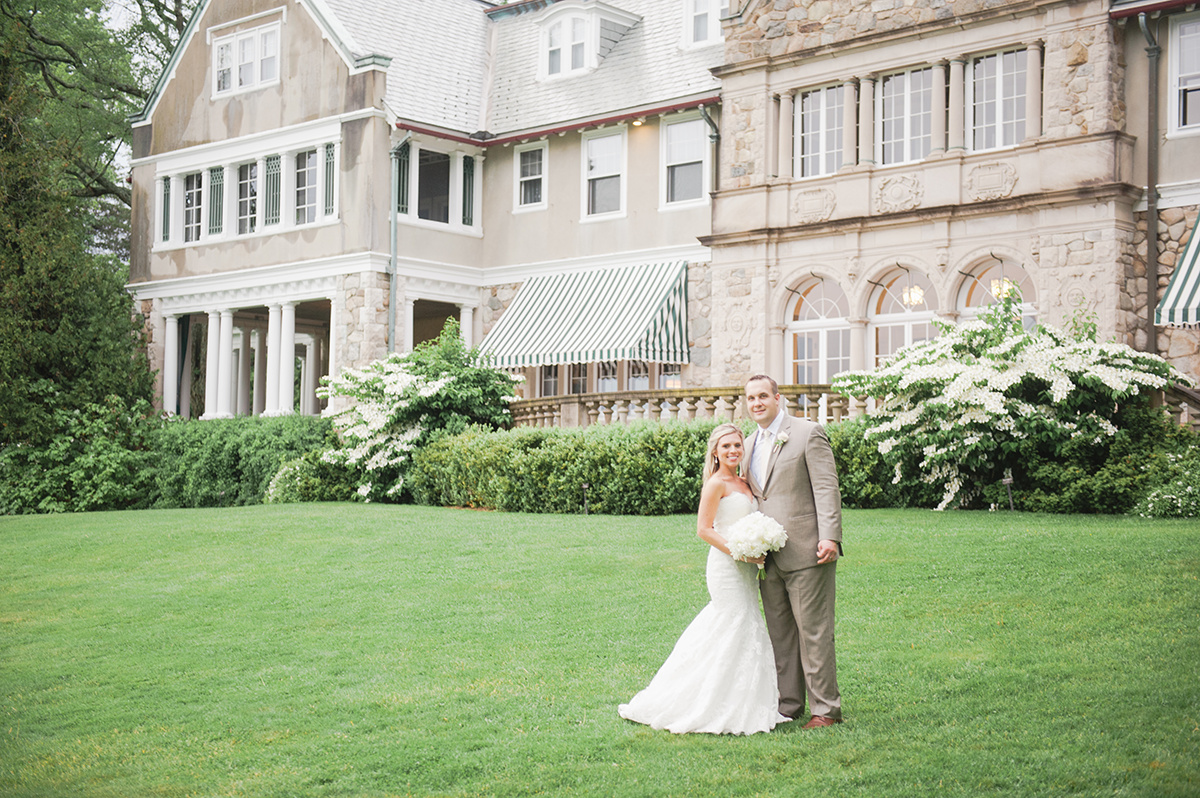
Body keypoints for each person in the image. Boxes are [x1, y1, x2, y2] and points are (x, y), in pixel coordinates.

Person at [618, 423, 788, 735]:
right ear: (715, 452)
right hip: (727, 566)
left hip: (748, 567)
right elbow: (704, 529)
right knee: (730, 622)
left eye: (737, 445)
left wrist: (760, 542)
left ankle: (745, 700)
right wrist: (742, 552)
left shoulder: (745, 482)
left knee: (747, 624)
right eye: (726, 447)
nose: (733, 451)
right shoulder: (716, 484)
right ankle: (697, 699)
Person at [743, 374, 844, 729]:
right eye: (751, 398)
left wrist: (829, 536)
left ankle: (825, 710)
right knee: (781, 635)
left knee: (814, 632)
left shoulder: (807, 432)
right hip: (766, 557)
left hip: (807, 550)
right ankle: (789, 705)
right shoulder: (748, 443)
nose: (756, 403)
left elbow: (826, 487)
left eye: (762, 396)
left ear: (777, 397)